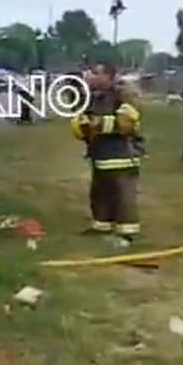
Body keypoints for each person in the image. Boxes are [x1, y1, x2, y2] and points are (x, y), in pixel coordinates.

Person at [71, 62, 144, 243]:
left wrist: (97, 125)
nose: (91, 76)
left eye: (96, 73)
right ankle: (101, 226)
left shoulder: (124, 95)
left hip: (122, 156)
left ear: (109, 76)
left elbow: (127, 123)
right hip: (100, 155)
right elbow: (84, 119)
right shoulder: (94, 97)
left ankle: (127, 233)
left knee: (123, 194)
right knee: (99, 193)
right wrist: (82, 128)